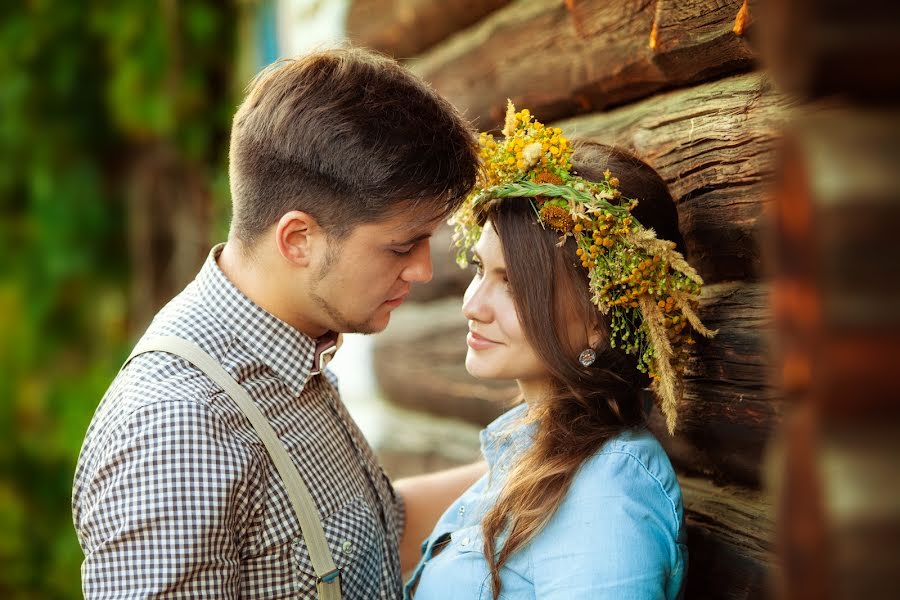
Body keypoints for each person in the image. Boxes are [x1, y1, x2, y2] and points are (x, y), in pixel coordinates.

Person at [71, 47, 487, 599]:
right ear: (299, 239)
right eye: (401, 246)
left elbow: (375, 536)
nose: (422, 269)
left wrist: (539, 459)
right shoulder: (177, 429)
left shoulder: (290, 353)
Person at [404, 105, 716, 599]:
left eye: (512, 284)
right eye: (480, 271)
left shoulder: (609, 492)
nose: (472, 305)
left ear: (598, 322)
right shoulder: (530, 458)